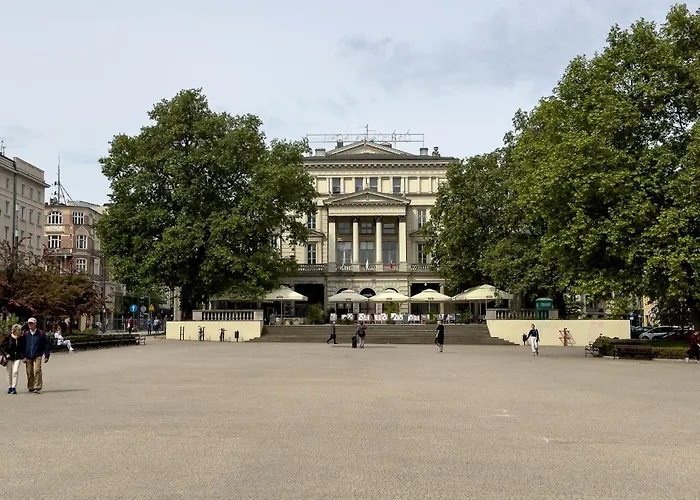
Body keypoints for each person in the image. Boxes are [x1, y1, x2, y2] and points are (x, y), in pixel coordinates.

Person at [22, 317, 50, 394]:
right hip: (28, 355)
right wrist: (23, 356)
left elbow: (46, 344)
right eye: (29, 323)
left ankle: (37, 386)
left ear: (35, 324)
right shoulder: (26, 334)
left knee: (37, 370)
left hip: (38, 354)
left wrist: (47, 355)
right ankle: (31, 386)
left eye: (31, 323)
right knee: (29, 372)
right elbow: (23, 346)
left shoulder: (41, 333)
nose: (30, 325)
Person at [1, 324, 25, 394]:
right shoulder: (8, 338)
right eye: (18, 330)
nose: (20, 332)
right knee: (9, 373)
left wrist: (23, 356)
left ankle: (14, 387)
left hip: (17, 357)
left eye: (20, 330)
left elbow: (23, 348)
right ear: (14, 331)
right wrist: (6, 354)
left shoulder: (21, 338)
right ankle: (10, 387)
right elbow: (1, 347)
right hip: (9, 358)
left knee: (15, 371)